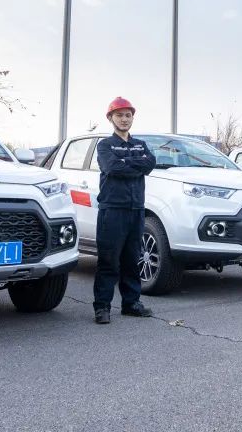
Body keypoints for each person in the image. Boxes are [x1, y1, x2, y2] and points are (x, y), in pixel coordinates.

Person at [92, 97, 157, 325]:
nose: (124, 119)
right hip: (113, 210)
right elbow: (112, 167)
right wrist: (136, 164)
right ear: (110, 118)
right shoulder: (105, 145)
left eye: (128, 115)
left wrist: (126, 162)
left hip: (136, 209)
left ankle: (131, 303)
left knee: (132, 258)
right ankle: (102, 307)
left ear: (132, 118)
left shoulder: (140, 144)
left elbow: (150, 163)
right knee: (109, 260)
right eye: (119, 115)